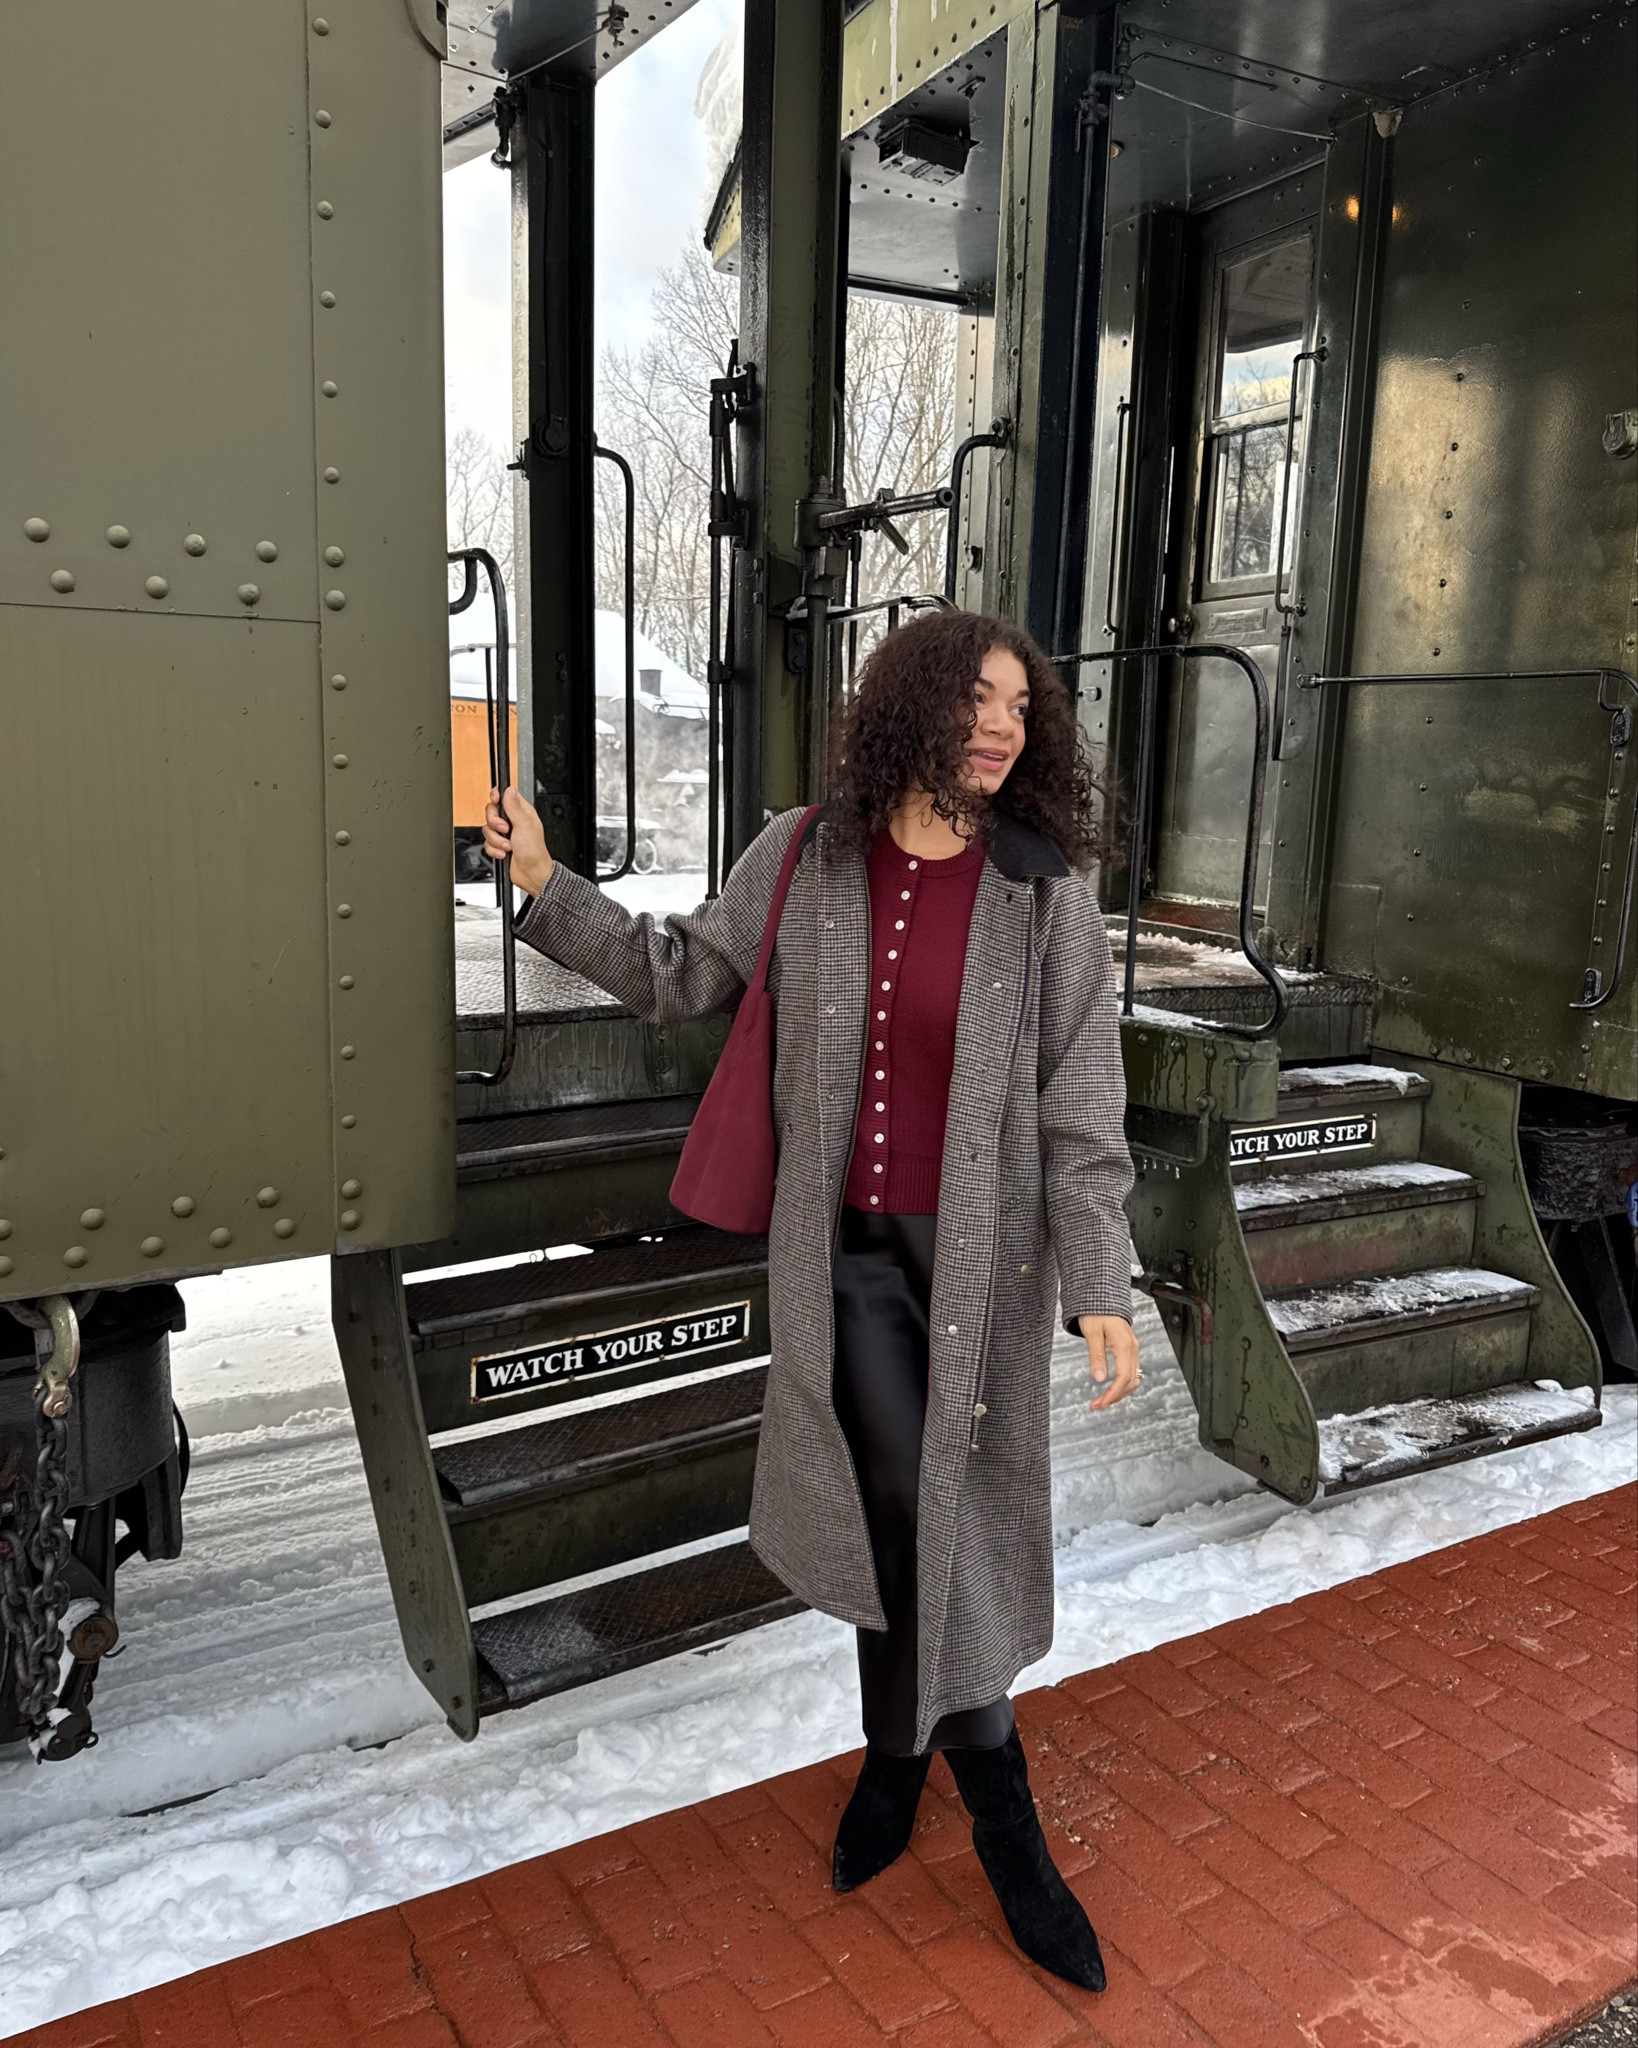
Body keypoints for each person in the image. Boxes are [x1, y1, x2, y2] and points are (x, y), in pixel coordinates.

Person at [484, 608, 1138, 1991]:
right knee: (890, 1517)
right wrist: (549, 886)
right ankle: (916, 1778)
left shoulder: (1040, 891)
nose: (1002, 726)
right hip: (834, 1268)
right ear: (912, 707)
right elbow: (677, 976)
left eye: (1021, 707)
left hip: (973, 1272)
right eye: (976, 698)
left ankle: (978, 1813)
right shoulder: (803, 856)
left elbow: (1080, 1106)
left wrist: (1101, 1283)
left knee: (933, 1525)